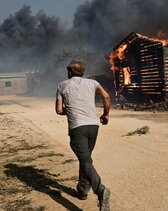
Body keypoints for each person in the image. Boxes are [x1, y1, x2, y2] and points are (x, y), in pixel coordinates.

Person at [55, 60, 111, 211]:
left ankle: (100, 190)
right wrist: (105, 114)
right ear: (83, 72)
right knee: (85, 159)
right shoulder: (93, 83)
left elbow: (59, 110)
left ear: (69, 72)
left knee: (85, 160)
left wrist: (72, 110)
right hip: (93, 126)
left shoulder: (62, 85)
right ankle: (82, 190)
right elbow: (106, 96)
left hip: (77, 128)